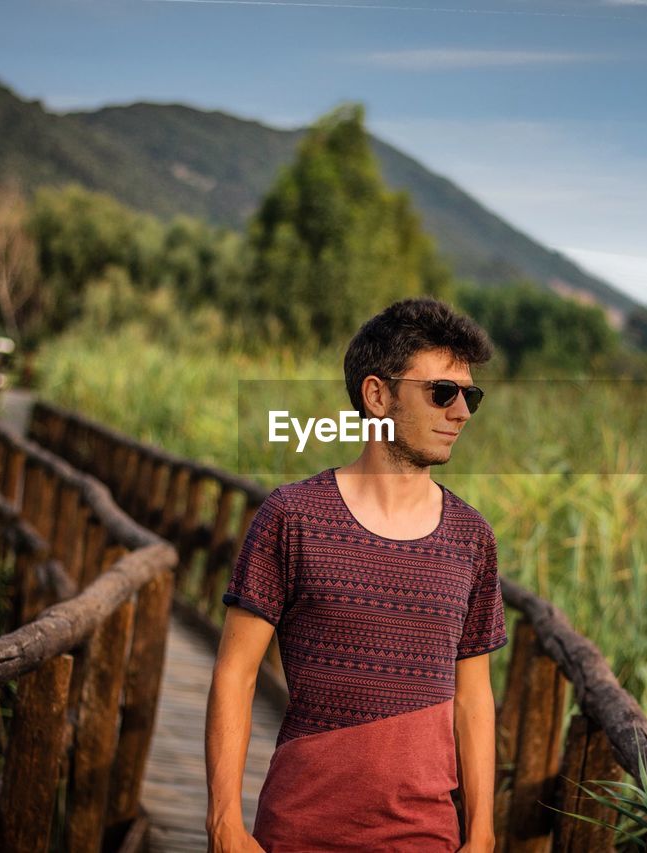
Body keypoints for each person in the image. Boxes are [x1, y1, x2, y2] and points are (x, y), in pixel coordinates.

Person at [205, 297, 508, 852]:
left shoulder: (472, 538)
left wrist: (483, 832)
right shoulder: (292, 517)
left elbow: (474, 696)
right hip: (298, 830)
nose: (461, 412)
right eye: (442, 392)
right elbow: (235, 675)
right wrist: (224, 821)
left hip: (425, 837)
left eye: (471, 395)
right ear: (377, 396)